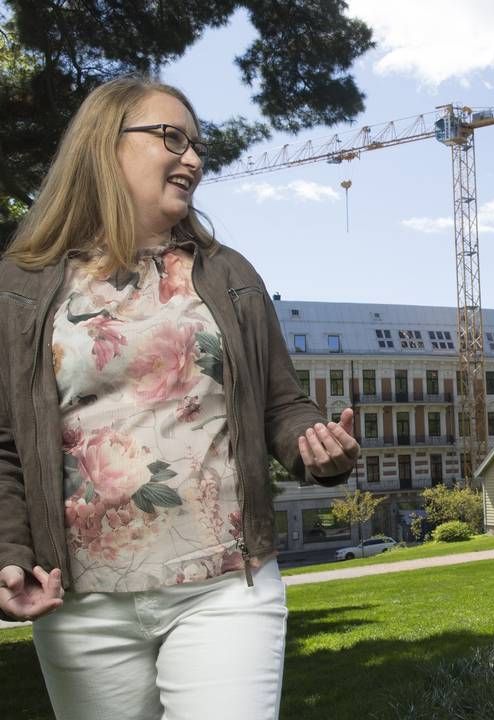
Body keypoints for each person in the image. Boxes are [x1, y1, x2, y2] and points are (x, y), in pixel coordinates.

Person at [0, 77, 360, 719]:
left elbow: (282, 404)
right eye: (171, 138)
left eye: (198, 146)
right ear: (103, 144)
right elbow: (5, 443)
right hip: (81, 605)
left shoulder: (228, 274)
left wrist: (315, 446)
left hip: (226, 586)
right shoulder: (22, 284)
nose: (192, 159)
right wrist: (10, 555)